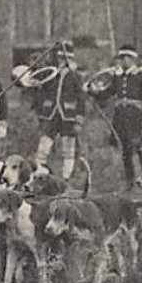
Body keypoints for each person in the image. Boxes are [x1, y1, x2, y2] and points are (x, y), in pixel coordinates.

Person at [92, 45, 142, 188]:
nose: (123, 61)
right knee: (126, 150)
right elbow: (108, 93)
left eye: (126, 58)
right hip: (121, 118)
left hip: (136, 117)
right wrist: (94, 91)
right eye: (121, 58)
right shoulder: (118, 77)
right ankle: (130, 181)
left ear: (133, 59)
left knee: (141, 150)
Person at [28, 42, 85, 180]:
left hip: (68, 116)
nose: (62, 62)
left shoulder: (75, 76)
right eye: (60, 59)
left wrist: (79, 118)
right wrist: (36, 87)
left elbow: (81, 98)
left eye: (65, 59)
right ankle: (40, 174)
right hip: (51, 115)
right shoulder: (50, 74)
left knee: (68, 149)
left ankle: (66, 178)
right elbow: (41, 92)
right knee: (43, 147)